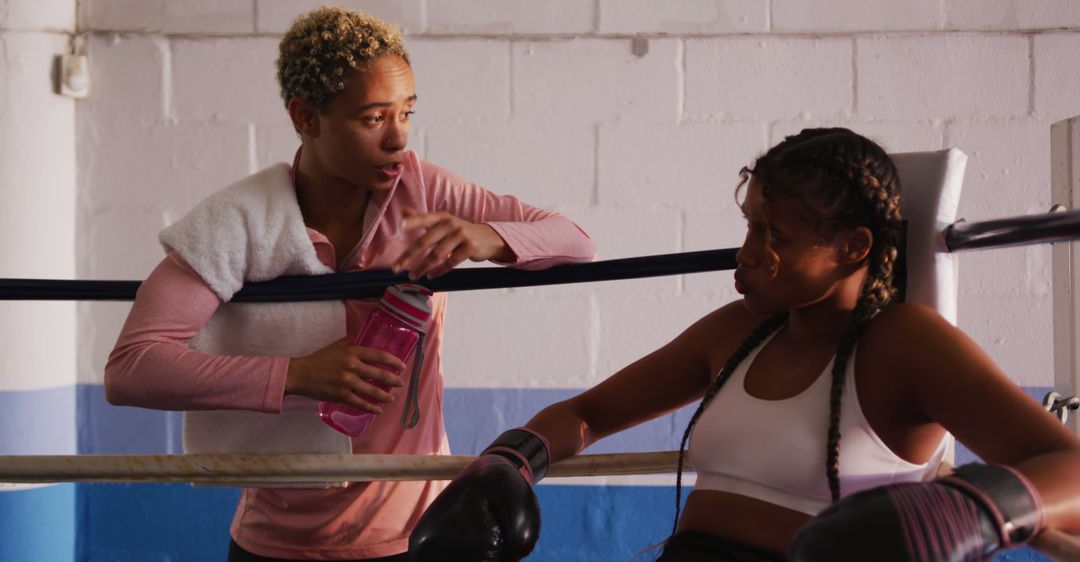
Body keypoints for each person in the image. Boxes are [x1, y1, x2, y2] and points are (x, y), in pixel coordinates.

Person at [409, 128, 1080, 561]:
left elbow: (1070, 467)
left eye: (776, 238)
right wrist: (508, 462)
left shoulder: (903, 344)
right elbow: (588, 414)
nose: (748, 255)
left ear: (853, 248)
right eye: (750, 227)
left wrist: (977, 508)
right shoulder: (740, 331)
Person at [103, 6, 595, 562]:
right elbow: (131, 369)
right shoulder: (237, 221)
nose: (398, 139)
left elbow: (576, 241)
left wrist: (485, 239)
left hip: (417, 536)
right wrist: (298, 374)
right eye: (373, 118)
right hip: (275, 543)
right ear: (307, 117)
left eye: (407, 113)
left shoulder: (423, 191)